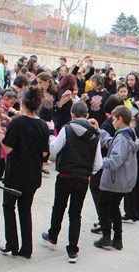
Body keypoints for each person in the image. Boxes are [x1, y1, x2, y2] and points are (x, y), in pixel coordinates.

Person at [42, 102, 101, 262]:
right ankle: (73, 250)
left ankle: (53, 236)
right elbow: (98, 163)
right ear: (87, 115)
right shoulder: (95, 134)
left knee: (58, 207)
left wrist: (51, 135)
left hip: (65, 175)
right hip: (83, 178)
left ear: (71, 114)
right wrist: (88, 172)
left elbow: (53, 150)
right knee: (75, 213)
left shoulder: (66, 129)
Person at [0, 85, 51, 259]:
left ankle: (12, 243)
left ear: (22, 102)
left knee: (9, 207)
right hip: (32, 174)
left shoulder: (17, 122)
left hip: (15, 173)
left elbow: (7, 148)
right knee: (25, 209)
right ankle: (26, 248)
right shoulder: (42, 125)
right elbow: (44, 153)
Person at [93, 105, 139, 250]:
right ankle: (118, 239)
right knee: (114, 208)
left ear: (120, 119)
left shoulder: (122, 138)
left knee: (103, 206)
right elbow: (111, 142)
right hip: (122, 180)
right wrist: (99, 131)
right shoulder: (129, 134)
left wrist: (98, 163)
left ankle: (106, 236)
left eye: (113, 119)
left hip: (114, 180)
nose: (112, 122)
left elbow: (115, 160)